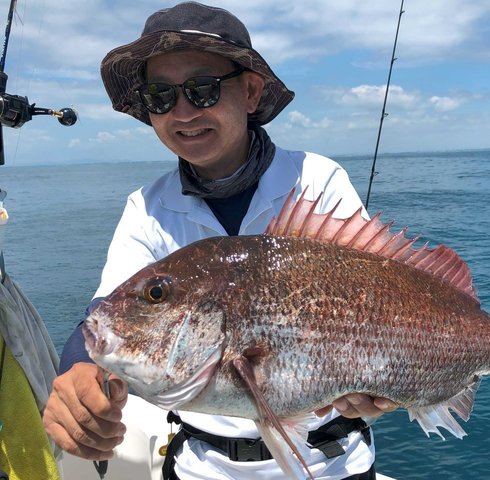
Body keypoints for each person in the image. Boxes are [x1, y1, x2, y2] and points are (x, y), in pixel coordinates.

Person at [42, 3, 397, 479]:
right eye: (160, 96)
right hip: (202, 467)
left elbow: (380, 309)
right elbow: (106, 315)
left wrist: (380, 388)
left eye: (203, 88)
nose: (183, 112)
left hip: (332, 464)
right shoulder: (146, 208)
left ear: (250, 91)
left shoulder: (317, 181)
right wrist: (78, 374)